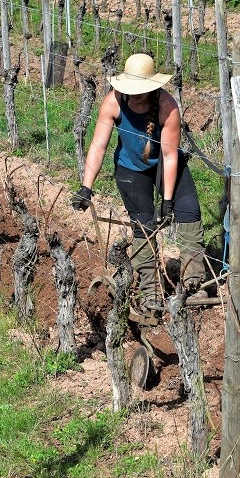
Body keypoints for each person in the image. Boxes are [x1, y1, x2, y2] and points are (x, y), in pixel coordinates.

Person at [70, 53, 206, 318]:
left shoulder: (167, 106)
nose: (133, 96)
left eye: (139, 92)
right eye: (130, 91)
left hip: (167, 165)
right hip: (131, 169)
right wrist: (86, 187)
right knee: (144, 226)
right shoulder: (113, 102)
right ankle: (151, 291)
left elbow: (169, 156)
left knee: (189, 212)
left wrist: (167, 202)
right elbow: (98, 145)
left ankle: (193, 283)